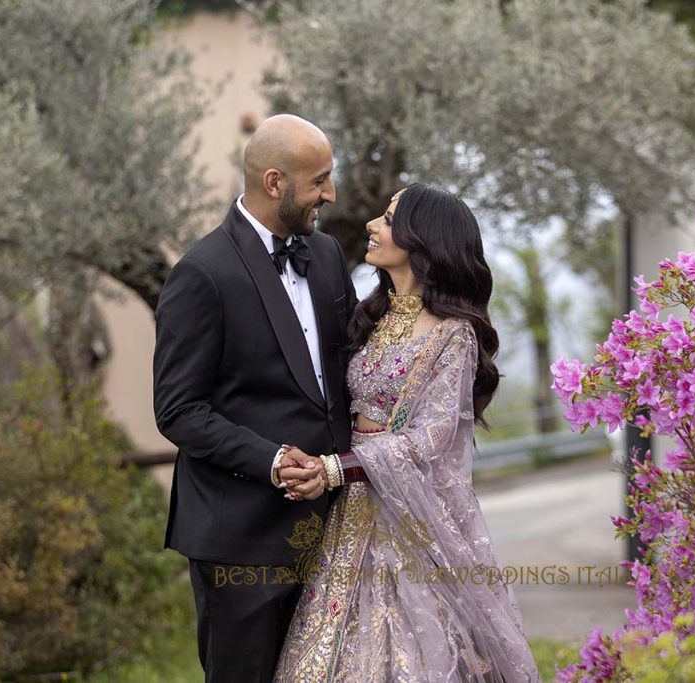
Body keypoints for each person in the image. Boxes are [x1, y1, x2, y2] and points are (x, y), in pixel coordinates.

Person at [273, 184, 540, 682]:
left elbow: (428, 439)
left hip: (410, 519)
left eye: (389, 218)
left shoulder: (452, 334)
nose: (373, 225)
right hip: (351, 512)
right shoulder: (369, 317)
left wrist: (336, 469)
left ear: (423, 239)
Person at [152, 114, 357, 683]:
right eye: (319, 181)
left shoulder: (329, 256)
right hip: (238, 541)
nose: (330, 194)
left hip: (331, 532)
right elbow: (178, 410)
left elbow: (341, 378)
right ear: (274, 182)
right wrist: (271, 461)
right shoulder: (201, 273)